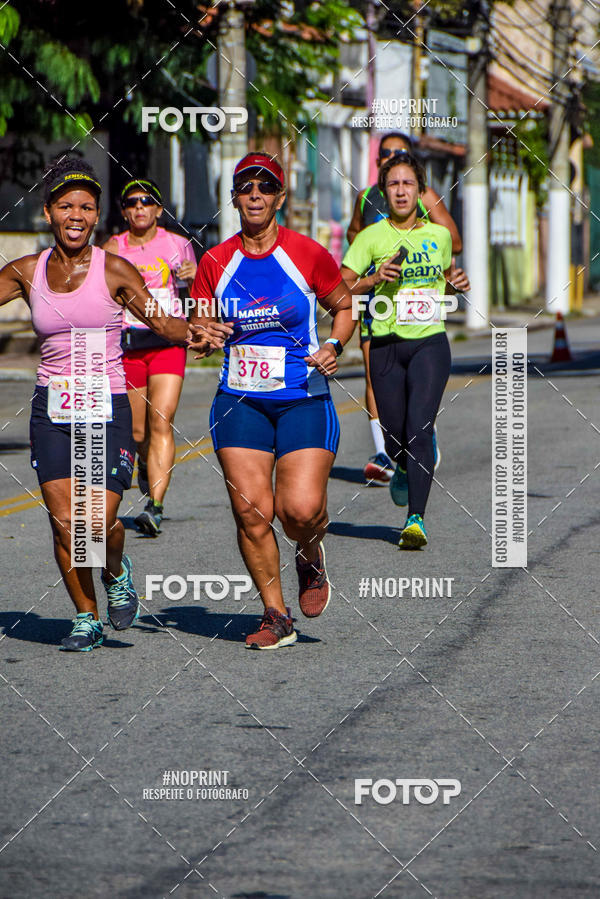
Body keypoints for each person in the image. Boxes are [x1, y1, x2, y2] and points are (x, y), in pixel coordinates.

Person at [0, 157, 202, 651]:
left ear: (96, 216)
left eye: (87, 207)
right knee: (64, 522)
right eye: (66, 206)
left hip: (106, 406)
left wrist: (197, 330)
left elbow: (161, 322)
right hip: (53, 409)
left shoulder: (115, 269)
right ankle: (85, 616)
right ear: (48, 212)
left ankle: (116, 571)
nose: (76, 215)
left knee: (95, 522)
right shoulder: (26, 271)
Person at [190, 152, 355, 649]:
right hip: (240, 400)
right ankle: (276, 616)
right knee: (251, 512)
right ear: (235, 198)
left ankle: (310, 552)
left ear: (280, 197)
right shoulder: (215, 261)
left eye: (266, 187)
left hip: (302, 396)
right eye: (246, 187)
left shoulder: (306, 253)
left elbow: (344, 306)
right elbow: (199, 322)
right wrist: (202, 336)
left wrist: (334, 345)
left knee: (299, 510)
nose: (256, 195)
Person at [341, 152, 469, 549]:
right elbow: (339, 287)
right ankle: (399, 464)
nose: (401, 191)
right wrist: (373, 278)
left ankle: (415, 519)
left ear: (420, 191)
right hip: (385, 346)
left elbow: (444, 278)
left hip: (430, 343)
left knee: (419, 429)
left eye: (408, 183)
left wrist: (455, 283)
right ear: (384, 191)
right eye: (393, 184)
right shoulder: (370, 238)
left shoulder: (439, 236)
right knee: (394, 438)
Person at [104, 178, 197, 536]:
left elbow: (197, 297)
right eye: (131, 203)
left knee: (162, 420)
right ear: (124, 211)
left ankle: (155, 506)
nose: (139, 207)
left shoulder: (178, 245)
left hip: (167, 343)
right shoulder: (113, 248)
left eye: (146, 202)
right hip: (128, 345)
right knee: (138, 429)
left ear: (159, 210)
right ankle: (144, 463)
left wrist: (193, 276)